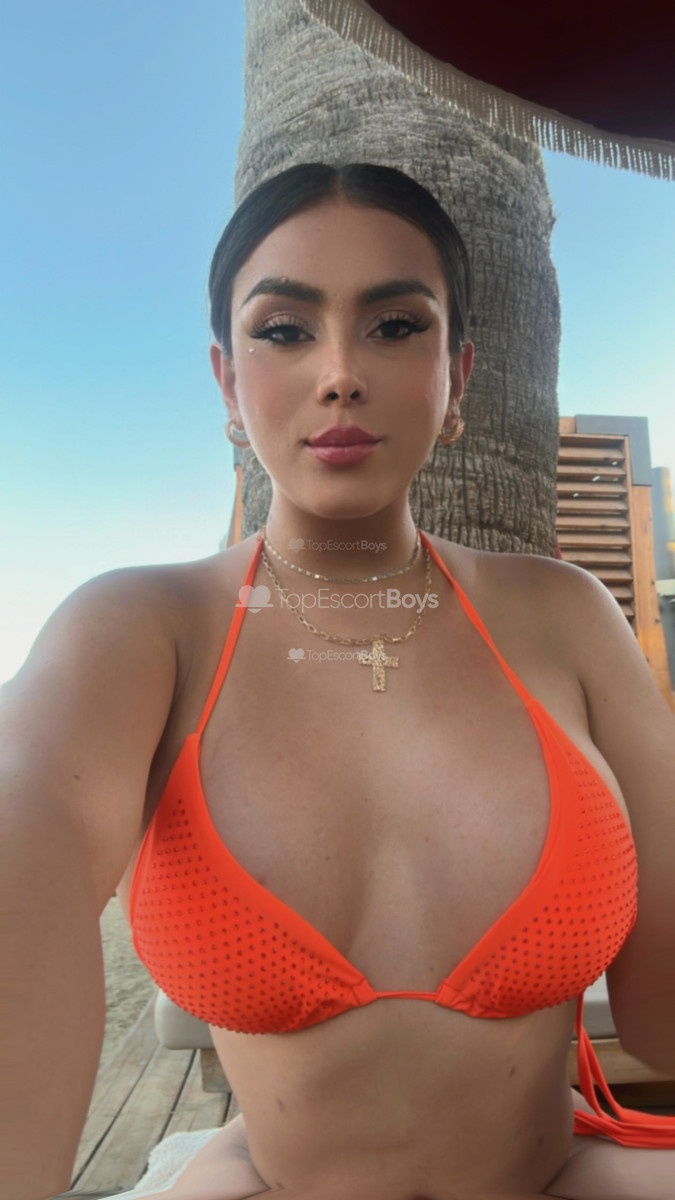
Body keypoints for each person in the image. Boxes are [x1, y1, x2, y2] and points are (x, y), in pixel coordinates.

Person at [2, 162, 675, 1200]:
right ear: (228, 384)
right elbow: (26, 822)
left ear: (457, 375)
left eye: (396, 326)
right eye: (284, 329)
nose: (341, 373)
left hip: (556, 1173)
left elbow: (664, 1017)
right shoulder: (138, 633)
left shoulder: (565, 615)